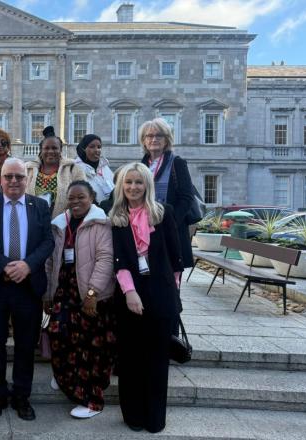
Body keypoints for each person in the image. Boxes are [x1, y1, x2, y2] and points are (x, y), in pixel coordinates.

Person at [0, 157, 54, 421]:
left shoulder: (40, 206)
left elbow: (47, 242)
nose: (14, 181)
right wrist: (6, 265)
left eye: (19, 176)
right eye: (9, 177)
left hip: (27, 287)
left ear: (27, 179)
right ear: (1, 179)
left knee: (25, 345)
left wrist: (27, 266)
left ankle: (22, 397)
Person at [109, 162, 183, 433]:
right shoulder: (116, 218)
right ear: (121, 186)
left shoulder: (163, 214)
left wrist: (171, 291)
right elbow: (119, 261)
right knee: (130, 358)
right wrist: (130, 293)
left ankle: (155, 417)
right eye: (128, 182)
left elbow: (176, 259)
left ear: (147, 185)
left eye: (139, 182)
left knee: (156, 358)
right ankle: (133, 415)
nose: (133, 187)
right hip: (130, 291)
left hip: (160, 292)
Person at [44, 180, 116, 419]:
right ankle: (66, 378)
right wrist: (48, 293)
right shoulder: (59, 224)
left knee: (90, 348)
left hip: (89, 294)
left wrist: (93, 293)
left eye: (81, 197)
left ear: (92, 197)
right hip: (63, 291)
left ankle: (92, 400)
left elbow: (106, 259)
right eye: (71, 198)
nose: (75, 202)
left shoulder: (101, 223)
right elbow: (52, 261)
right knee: (59, 335)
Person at [139, 118, 195, 269]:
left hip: (171, 229)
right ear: (144, 141)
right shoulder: (140, 166)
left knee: (171, 280)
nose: (154, 139)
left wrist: (171, 223)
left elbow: (186, 198)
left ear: (167, 140)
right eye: (149, 136)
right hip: (145, 229)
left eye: (159, 135)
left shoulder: (177, 163)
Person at [25, 126, 86, 219]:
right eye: (46, 148)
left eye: (54, 148)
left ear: (60, 150)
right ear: (41, 150)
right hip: (33, 225)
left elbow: (84, 196)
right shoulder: (28, 169)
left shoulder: (73, 169)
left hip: (64, 225)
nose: (50, 151)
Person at [74, 134, 114, 206]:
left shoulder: (105, 166)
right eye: (92, 147)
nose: (97, 150)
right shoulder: (76, 169)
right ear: (83, 149)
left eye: (99, 147)